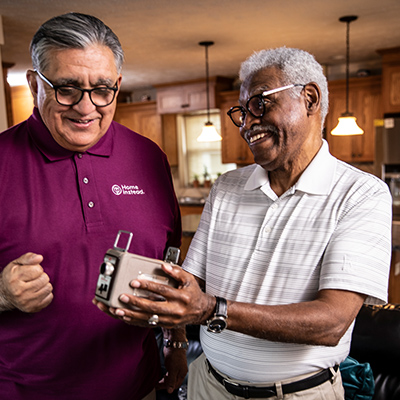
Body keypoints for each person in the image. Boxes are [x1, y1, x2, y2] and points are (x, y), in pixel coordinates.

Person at [96, 47, 393, 400]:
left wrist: (211, 309)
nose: (247, 123)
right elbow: (193, 283)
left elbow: (332, 322)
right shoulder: (226, 187)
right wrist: (149, 297)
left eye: (259, 104)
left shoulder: (361, 194)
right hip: (208, 385)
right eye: (241, 112)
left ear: (309, 98)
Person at [0, 12, 187, 400]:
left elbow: (169, 265)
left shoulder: (149, 157)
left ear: (117, 85)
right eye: (67, 88)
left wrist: (176, 341)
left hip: (138, 388)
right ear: (35, 83)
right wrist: (1, 293)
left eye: (102, 90)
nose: (87, 108)